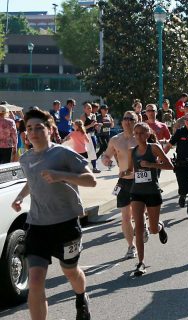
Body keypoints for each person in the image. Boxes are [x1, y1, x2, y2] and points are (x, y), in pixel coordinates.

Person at [11, 109, 96, 320]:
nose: (33, 132)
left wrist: (61, 175)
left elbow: (90, 180)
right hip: (38, 226)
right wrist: (21, 197)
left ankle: (81, 296)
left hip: (66, 225)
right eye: (29, 128)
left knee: (70, 271)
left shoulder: (63, 153)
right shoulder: (26, 158)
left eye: (39, 127)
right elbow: (33, 182)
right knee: (36, 281)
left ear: (49, 129)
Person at [125, 122, 173, 275]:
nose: (138, 136)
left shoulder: (154, 148)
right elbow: (131, 170)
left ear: (148, 134)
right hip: (136, 192)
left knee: (152, 229)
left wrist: (151, 165)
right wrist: (124, 173)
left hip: (152, 191)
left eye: (141, 133)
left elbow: (170, 166)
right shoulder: (132, 151)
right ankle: (141, 263)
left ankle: (159, 226)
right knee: (138, 227)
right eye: (136, 133)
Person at [101, 111, 140, 259]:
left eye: (131, 119)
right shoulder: (115, 140)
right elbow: (106, 155)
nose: (127, 121)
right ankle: (131, 246)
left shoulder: (141, 138)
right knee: (125, 216)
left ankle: (143, 228)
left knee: (138, 214)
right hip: (123, 181)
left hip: (140, 180)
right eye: (125, 118)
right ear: (121, 122)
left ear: (136, 121)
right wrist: (106, 161)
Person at [81, 103, 100, 173]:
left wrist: (97, 126)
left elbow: (94, 125)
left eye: (90, 108)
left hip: (93, 135)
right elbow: (81, 128)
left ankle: (94, 167)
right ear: (84, 109)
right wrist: (90, 125)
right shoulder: (83, 116)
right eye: (88, 108)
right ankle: (83, 167)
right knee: (85, 152)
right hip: (86, 135)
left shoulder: (93, 115)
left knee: (93, 151)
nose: (90, 109)